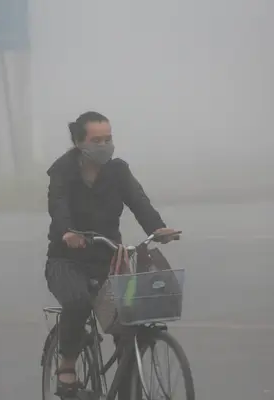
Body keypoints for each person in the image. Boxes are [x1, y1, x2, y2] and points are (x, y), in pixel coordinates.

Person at [45, 111, 179, 397]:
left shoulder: (118, 170)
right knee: (78, 302)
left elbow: (137, 199)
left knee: (130, 321)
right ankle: (67, 366)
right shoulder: (64, 170)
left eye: (108, 139)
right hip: (66, 261)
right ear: (80, 141)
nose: (104, 145)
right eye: (97, 140)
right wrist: (68, 231)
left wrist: (158, 228)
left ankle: (127, 385)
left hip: (108, 259)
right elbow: (58, 204)